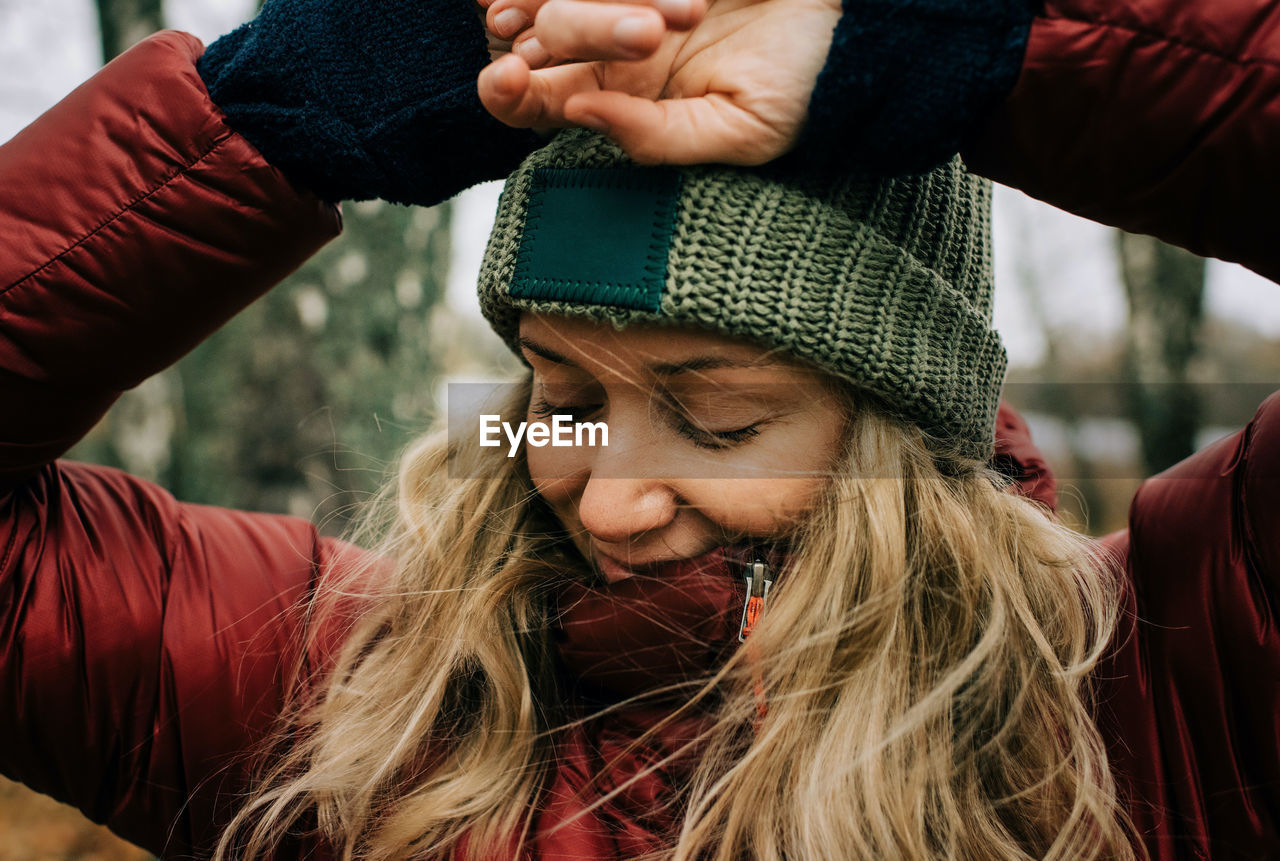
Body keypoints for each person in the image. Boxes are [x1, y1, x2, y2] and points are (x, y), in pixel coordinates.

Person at [0, 2, 1276, 861]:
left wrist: (971, 42)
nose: (606, 504)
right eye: (562, 402)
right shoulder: (340, 704)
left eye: (717, 423)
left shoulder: (1153, 687)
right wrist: (268, 120)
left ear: (906, 428)